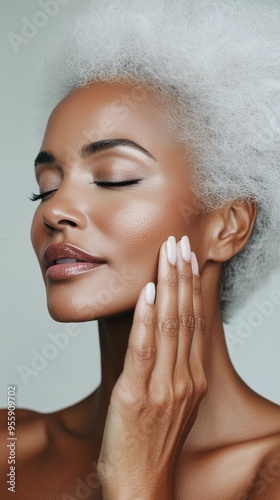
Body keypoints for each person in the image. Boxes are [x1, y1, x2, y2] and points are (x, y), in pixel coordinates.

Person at [1, 0, 280, 498]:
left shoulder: (269, 471)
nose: (54, 210)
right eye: (44, 187)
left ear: (228, 226)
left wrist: (136, 479)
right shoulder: (13, 452)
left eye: (114, 178)